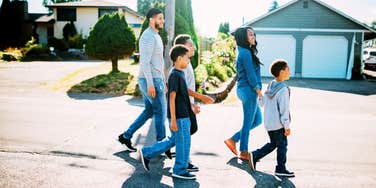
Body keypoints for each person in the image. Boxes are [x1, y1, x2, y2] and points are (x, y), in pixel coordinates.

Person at [140, 45, 196, 180]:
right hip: (180, 117)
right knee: (184, 142)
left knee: (174, 141)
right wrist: (174, 120)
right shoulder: (175, 75)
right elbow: (171, 97)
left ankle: (147, 152)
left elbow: (183, 95)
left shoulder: (179, 73)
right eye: (187, 58)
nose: (189, 61)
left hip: (184, 115)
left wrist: (193, 105)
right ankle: (179, 169)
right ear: (179, 58)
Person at [118, 8, 166, 152]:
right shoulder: (148, 36)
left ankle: (126, 136)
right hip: (150, 80)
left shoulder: (156, 35)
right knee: (160, 111)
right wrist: (151, 84)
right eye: (160, 18)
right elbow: (144, 62)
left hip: (156, 79)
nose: (162, 21)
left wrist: (163, 80)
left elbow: (158, 62)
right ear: (151, 19)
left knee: (149, 110)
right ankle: (161, 144)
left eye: (162, 18)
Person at [249, 59, 295, 178]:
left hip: (269, 123)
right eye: (287, 69)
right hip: (279, 124)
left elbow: (262, 103)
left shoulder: (271, 85)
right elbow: (284, 110)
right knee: (282, 145)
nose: (289, 71)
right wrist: (287, 126)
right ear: (281, 72)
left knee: (273, 143)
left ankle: (255, 155)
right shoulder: (283, 89)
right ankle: (280, 168)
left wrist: (259, 95)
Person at [224, 26, 263, 161]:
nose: (253, 37)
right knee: (247, 122)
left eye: (254, 34)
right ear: (243, 38)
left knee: (257, 120)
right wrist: (258, 90)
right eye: (250, 35)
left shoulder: (246, 51)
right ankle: (244, 151)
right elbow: (250, 74)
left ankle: (233, 139)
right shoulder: (245, 53)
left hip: (246, 90)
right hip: (249, 90)